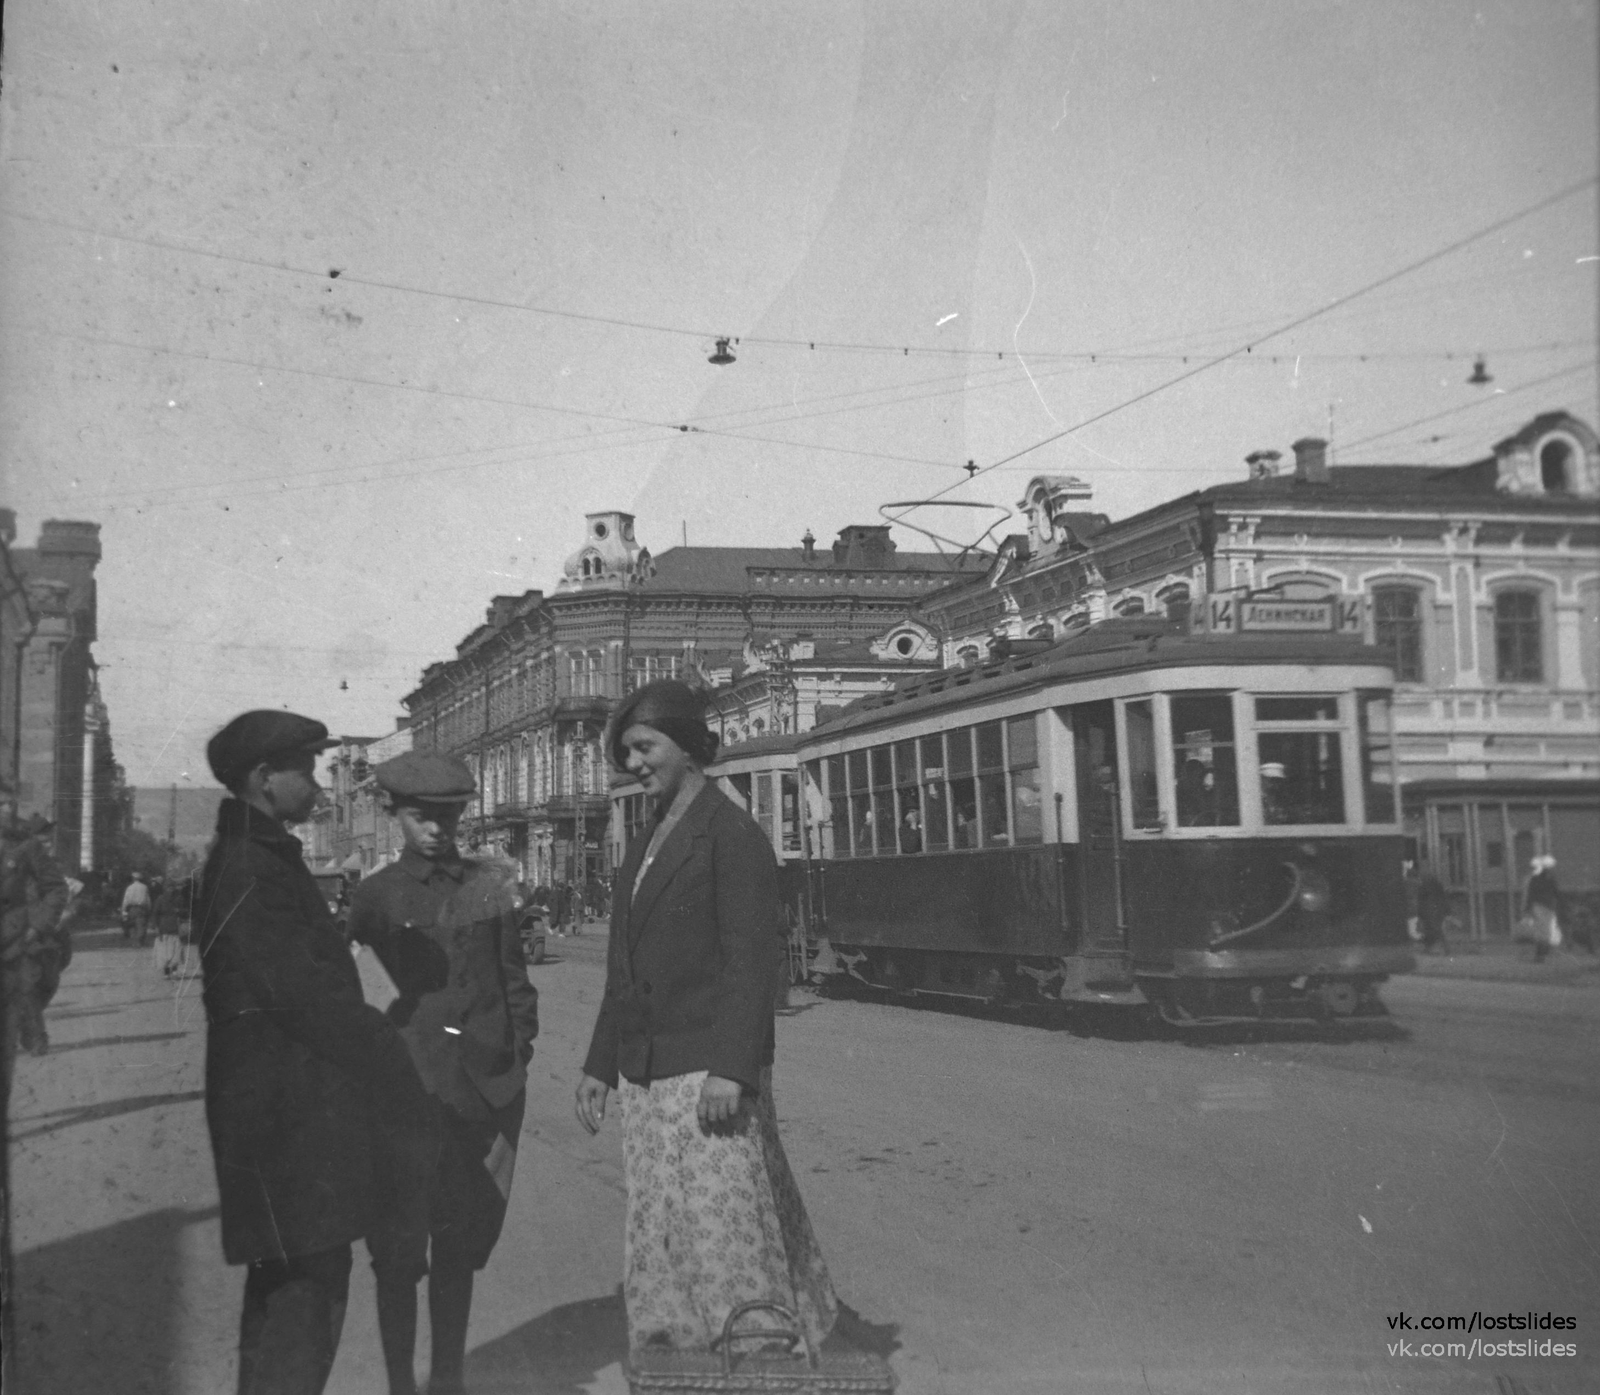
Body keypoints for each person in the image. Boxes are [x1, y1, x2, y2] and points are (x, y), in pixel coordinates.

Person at [575, 679, 836, 1353]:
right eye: (626, 751)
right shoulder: (649, 837)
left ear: (688, 747)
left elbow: (752, 962)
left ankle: (756, 1348)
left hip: (705, 1073)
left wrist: (732, 1068)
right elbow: (624, 968)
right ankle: (681, 1348)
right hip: (647, 1074)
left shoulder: (731, 834)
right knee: (664, 1218)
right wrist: (600, 1064)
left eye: (644, 747)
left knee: (725, 1223)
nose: (633, 763)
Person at [197, 709, 435, 1395]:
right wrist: (389, 1046)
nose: (316, 782)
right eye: (303, 767)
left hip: (278, 1117)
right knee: (305, 1301)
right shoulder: (252, 865)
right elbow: (306, 999)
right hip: (286, 1125)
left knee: (283, 1300)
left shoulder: (258, 855)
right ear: (264, 779)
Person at [348, 751, 540, 1395]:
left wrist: (517, 1054)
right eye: (419, 817)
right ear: (396, 814)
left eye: (448, 816)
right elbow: (361, 998)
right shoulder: (374, 897)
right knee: (399, 1258)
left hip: (476, 1094)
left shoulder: (489, 886)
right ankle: (403, 1383)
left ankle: (447, 1381)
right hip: (406, 1099)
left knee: (458, 1249)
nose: (435, 829)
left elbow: (514, 981)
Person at [1, 794, 68, 1073]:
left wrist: (37, 926)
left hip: (18, 938)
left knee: (32, 988)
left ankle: (33, 1034)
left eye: (7, 804)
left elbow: (57, 888)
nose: (7, 809)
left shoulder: (25, 848)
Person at [1523, 855, 1563, 962]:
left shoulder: (1534, 879)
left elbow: (1530, 894)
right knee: (1546, 930)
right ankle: (1542, 953)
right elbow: (1557, 892)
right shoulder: (1551, 879)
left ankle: (1540, 954)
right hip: (1549, 906)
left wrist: (1527, 908)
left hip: (1538, 905)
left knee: (1541, 930)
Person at [153, 876, 186, 977]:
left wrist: (179, 911)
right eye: (168, 887)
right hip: (164, 928)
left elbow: (186, 912)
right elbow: (155, 914)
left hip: (176, 927)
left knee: (176, 950)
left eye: (172, 887)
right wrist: (156, 927)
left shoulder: (179, 899)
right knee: (165, 952)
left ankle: (174, 969)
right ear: (165, 888)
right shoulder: (160, 899)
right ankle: (167, 971)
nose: (170, 890)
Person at [1416, 861, 1450, 954]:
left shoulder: (1424, 884)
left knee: (1432, 929)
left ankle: (1441, 947)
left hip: (1430, 910)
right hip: (1436, 909)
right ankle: (1438, 947)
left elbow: (1422, 899)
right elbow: (1442, 896)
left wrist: (1420, 911)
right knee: (1434, 929)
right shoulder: (1435, 883)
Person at [121, 870, 152, 945]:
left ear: (133, 879)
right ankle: (140, 941)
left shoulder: (129, 888)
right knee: (141, 924)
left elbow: (126, 900)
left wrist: (124, 910)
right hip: (141, 908)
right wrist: (149, 908)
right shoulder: (144, 887)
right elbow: (147, 899)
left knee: (132, 924)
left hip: (131, 908)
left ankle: (134, 941)